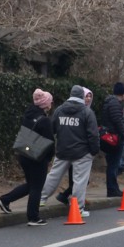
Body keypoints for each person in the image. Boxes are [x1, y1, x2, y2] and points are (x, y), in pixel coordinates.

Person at [0, 89, 54, 225]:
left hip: (23, 154)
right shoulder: (45, 121)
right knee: (37, 187)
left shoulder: (28, 115)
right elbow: (50, 142)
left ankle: (5, 200)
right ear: (46, 104)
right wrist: (49, 157)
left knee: (31, 185)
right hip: (37, 157)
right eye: (50, 102)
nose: (51, 104)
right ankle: (33, 217)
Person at [41, 85, 99, 217]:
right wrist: (94, 151)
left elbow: (52, 129)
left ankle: (40, 198)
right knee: (80, 181)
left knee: (53, 176)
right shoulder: (87, 112)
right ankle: (77, 208)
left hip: (62, 150)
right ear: (82, 96)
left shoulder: (59, 110)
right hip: (82, 152)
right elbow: (93, 135)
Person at [99, 84, 124, 196]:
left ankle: (113, 188)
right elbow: (118, 120)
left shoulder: (108, 102)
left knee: (112, 163)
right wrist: (123, 133)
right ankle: (112, 189)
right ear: (122, 92)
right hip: (115, 138)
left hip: (109, 137)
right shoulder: (115, 104)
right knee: (114, 164)